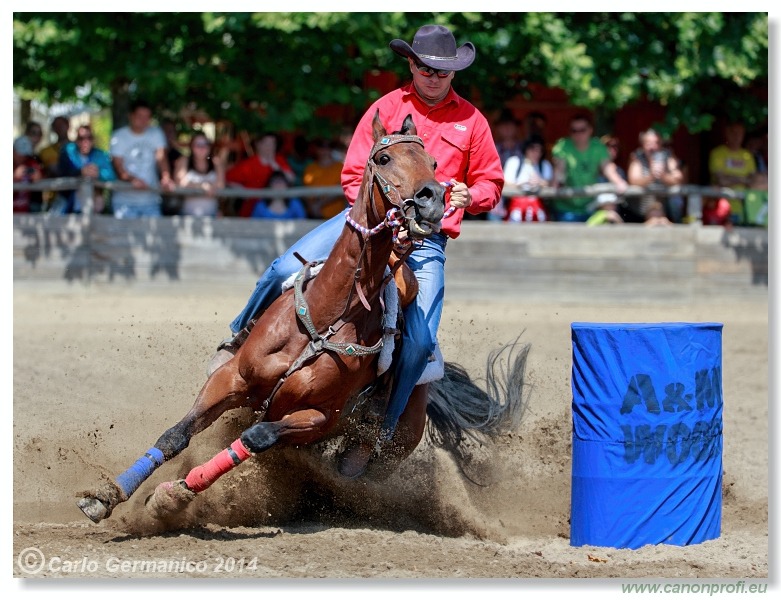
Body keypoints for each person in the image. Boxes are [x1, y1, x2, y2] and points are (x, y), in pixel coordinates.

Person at [208, 24, 503, 476]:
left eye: (442, 72)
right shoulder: (384, 108)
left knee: (420, 341)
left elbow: (491, 183)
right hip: (366, 226)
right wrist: (380, 220)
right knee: (280, 267)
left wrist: (471, 196)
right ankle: (236, 341)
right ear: (411, 64)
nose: (433, 77)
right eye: (425, 68)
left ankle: (381, 429)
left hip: (426, 239)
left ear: (453, 72)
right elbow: (352, 176)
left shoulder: (471, 121)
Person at [551, 114, 628, 222]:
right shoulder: (563, 146)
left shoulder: (598, 147)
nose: (578, 134)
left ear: (590, 130)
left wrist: (619, 182)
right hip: (566, 207)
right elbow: (560, 170)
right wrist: (557, 182)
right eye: (574, 130)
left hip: (591, 206)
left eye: (582, 130)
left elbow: (607, 168)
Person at [110, 99, 175, 218]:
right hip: (124, 202)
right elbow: (118, 166)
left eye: (147, 117)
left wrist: (166, 177)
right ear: (131, 116)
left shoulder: (156, 134)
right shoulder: (119, 136)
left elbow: (162, 159)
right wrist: (132, 179)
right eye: (140, 116)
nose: (143, 120)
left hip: (151, 200)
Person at [225, 132, 296, 217]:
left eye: (273, 143)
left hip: (277, 213)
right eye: (267, 143)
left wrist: (274, 164)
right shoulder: (249, 164)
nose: (270, 147)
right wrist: (243, 191)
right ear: (259, 145)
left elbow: (291, 179)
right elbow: (227, 179)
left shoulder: (279, 160)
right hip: (251, 211)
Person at [53, 124, 116, 214]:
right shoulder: (68, 152)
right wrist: (80, 172)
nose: (85, 142)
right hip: (69, 204)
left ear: (93, 140)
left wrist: (98, 173)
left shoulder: (100, 155)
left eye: (89, 138)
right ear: (76, 140)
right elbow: (62, 172)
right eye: (81, 138)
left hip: (93, 207)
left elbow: (111, 175)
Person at [625, 128, 684, 223]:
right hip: (639, 210)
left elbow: (678, 178)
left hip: (663, 206)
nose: (652, 147)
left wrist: (663, 176)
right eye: (648, 143)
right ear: (643, 145)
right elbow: (633, 180)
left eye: (656, 143)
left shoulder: (668, 156)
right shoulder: (637, 157)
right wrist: (651, 176)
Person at [708, 121, 757, 225]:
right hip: (721, 208)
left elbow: (753, 182)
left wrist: (730, 178)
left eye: (740, 134)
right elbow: (721, 180)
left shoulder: (747, 156)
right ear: (727, 133)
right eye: (733, 133)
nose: (736, 136)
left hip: (745, 208)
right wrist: (743, 179)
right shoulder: (717, 153)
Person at [174, 131, 226, 217]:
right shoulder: (184, 160)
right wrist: (202, 187)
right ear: (192, 146)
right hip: (187, 216)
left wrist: (208, 187)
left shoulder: (216, 162)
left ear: (210, 147)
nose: (202, 148)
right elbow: (179, 182)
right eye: (198, 145)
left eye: (205, 144)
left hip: (211, 216)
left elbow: (221, 185)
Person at [502, 134, 552, 222]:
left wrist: (540, 182)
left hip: (538, 207)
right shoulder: (514, 162)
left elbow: (550, 183)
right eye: (533, 149)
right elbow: (505, 183)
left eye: (540, 150)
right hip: (516, 206)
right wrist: (520, 184)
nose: (536, 153)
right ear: (526, 149)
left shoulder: (544, 165)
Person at [302, 138, 347, 219]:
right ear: (316, 149)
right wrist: (313, 208)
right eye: (321, 146)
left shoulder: (340, 167)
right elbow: (306, 191)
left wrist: (319, 205)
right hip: (313, 216)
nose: (324, 150)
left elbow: (342, 190)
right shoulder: (310, 168)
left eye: (328, 146)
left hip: (335, 217)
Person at [13, 121, 45, 213]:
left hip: (25, 211)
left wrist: (35, 175)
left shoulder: (30, 161)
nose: (23, 157)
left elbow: (39, 176)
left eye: (25, 154)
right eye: (20, 154)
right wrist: (14, 176)